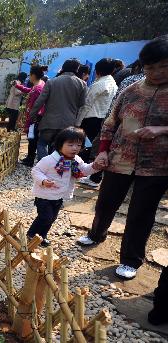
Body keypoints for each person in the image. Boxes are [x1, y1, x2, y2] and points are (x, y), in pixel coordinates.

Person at [77, 35, 168, 280]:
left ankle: (131, 259)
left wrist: (162, 129)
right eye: (151, 67)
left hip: (157, 165)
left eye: (163, 66)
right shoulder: (131, 91)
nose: (157, 72)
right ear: (143, 66)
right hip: (120, 158)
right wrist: (104, 150)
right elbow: (110, 123)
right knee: (106, 202)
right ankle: (96, 234)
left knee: (141, 212)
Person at [28, 127, 101, 247]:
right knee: (45, 217)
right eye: (70, 144)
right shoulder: (50, 160)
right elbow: (36, 170)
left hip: (59, 196)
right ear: (60, 144)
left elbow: (85, 170)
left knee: (52, 218)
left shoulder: (76, 160)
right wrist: (43, 180)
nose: (75, 148)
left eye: (78, 145)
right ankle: (32, 234)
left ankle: (42, 236)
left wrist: (95, 166)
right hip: (44, 195)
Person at [30, 59, 88, 160]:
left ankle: (44, 166)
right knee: (59, 148)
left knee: (42, 143)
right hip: (68, 124)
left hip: (49, 122)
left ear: (63, 67)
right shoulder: (82, 84)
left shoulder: (52, 82)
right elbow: (82, 105)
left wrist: (33, 116)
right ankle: (55, 169)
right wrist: (77, 123)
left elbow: (40, 101)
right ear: (77, 69)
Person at [76, 58, 118, 187]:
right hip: (102, 118)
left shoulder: (99, 84)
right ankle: (91, 174)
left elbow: (86, 105)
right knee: (93, 147)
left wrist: (77, 123)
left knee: (83, 146)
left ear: (97, 70)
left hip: (91, 118)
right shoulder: (113, 83)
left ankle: (79, 172)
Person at [14, 65, 48, 166]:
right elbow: (29, 90)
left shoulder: (37, 89)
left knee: (32, 139)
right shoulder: (40, 84)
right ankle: (30, 157)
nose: (29, 77)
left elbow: (33, 108)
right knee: (32, 139)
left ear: (33, 75)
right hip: (38, 117)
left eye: (30, 75)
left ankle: (30, 160)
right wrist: (18, 86)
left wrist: (27, 125)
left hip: (35, 118)